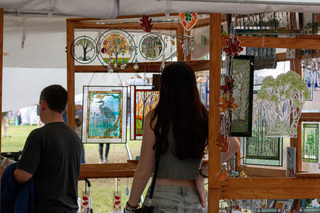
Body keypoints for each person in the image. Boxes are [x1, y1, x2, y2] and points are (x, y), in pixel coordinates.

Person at [125, 62, 240, 213]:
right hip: (194, 198)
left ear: (165, 86)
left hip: (162, 196)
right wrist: (202, 174)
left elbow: (144, 169)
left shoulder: (155, 118)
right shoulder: (204, 117)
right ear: (192, 86)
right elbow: (233, 145)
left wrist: (131, 206)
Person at [14, 84, 82, 213]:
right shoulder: (74, 137)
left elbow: (22, 175)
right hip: (71, 208)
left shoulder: (38, 135)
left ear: (43, 104)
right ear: (63, 107)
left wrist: (8, 169)